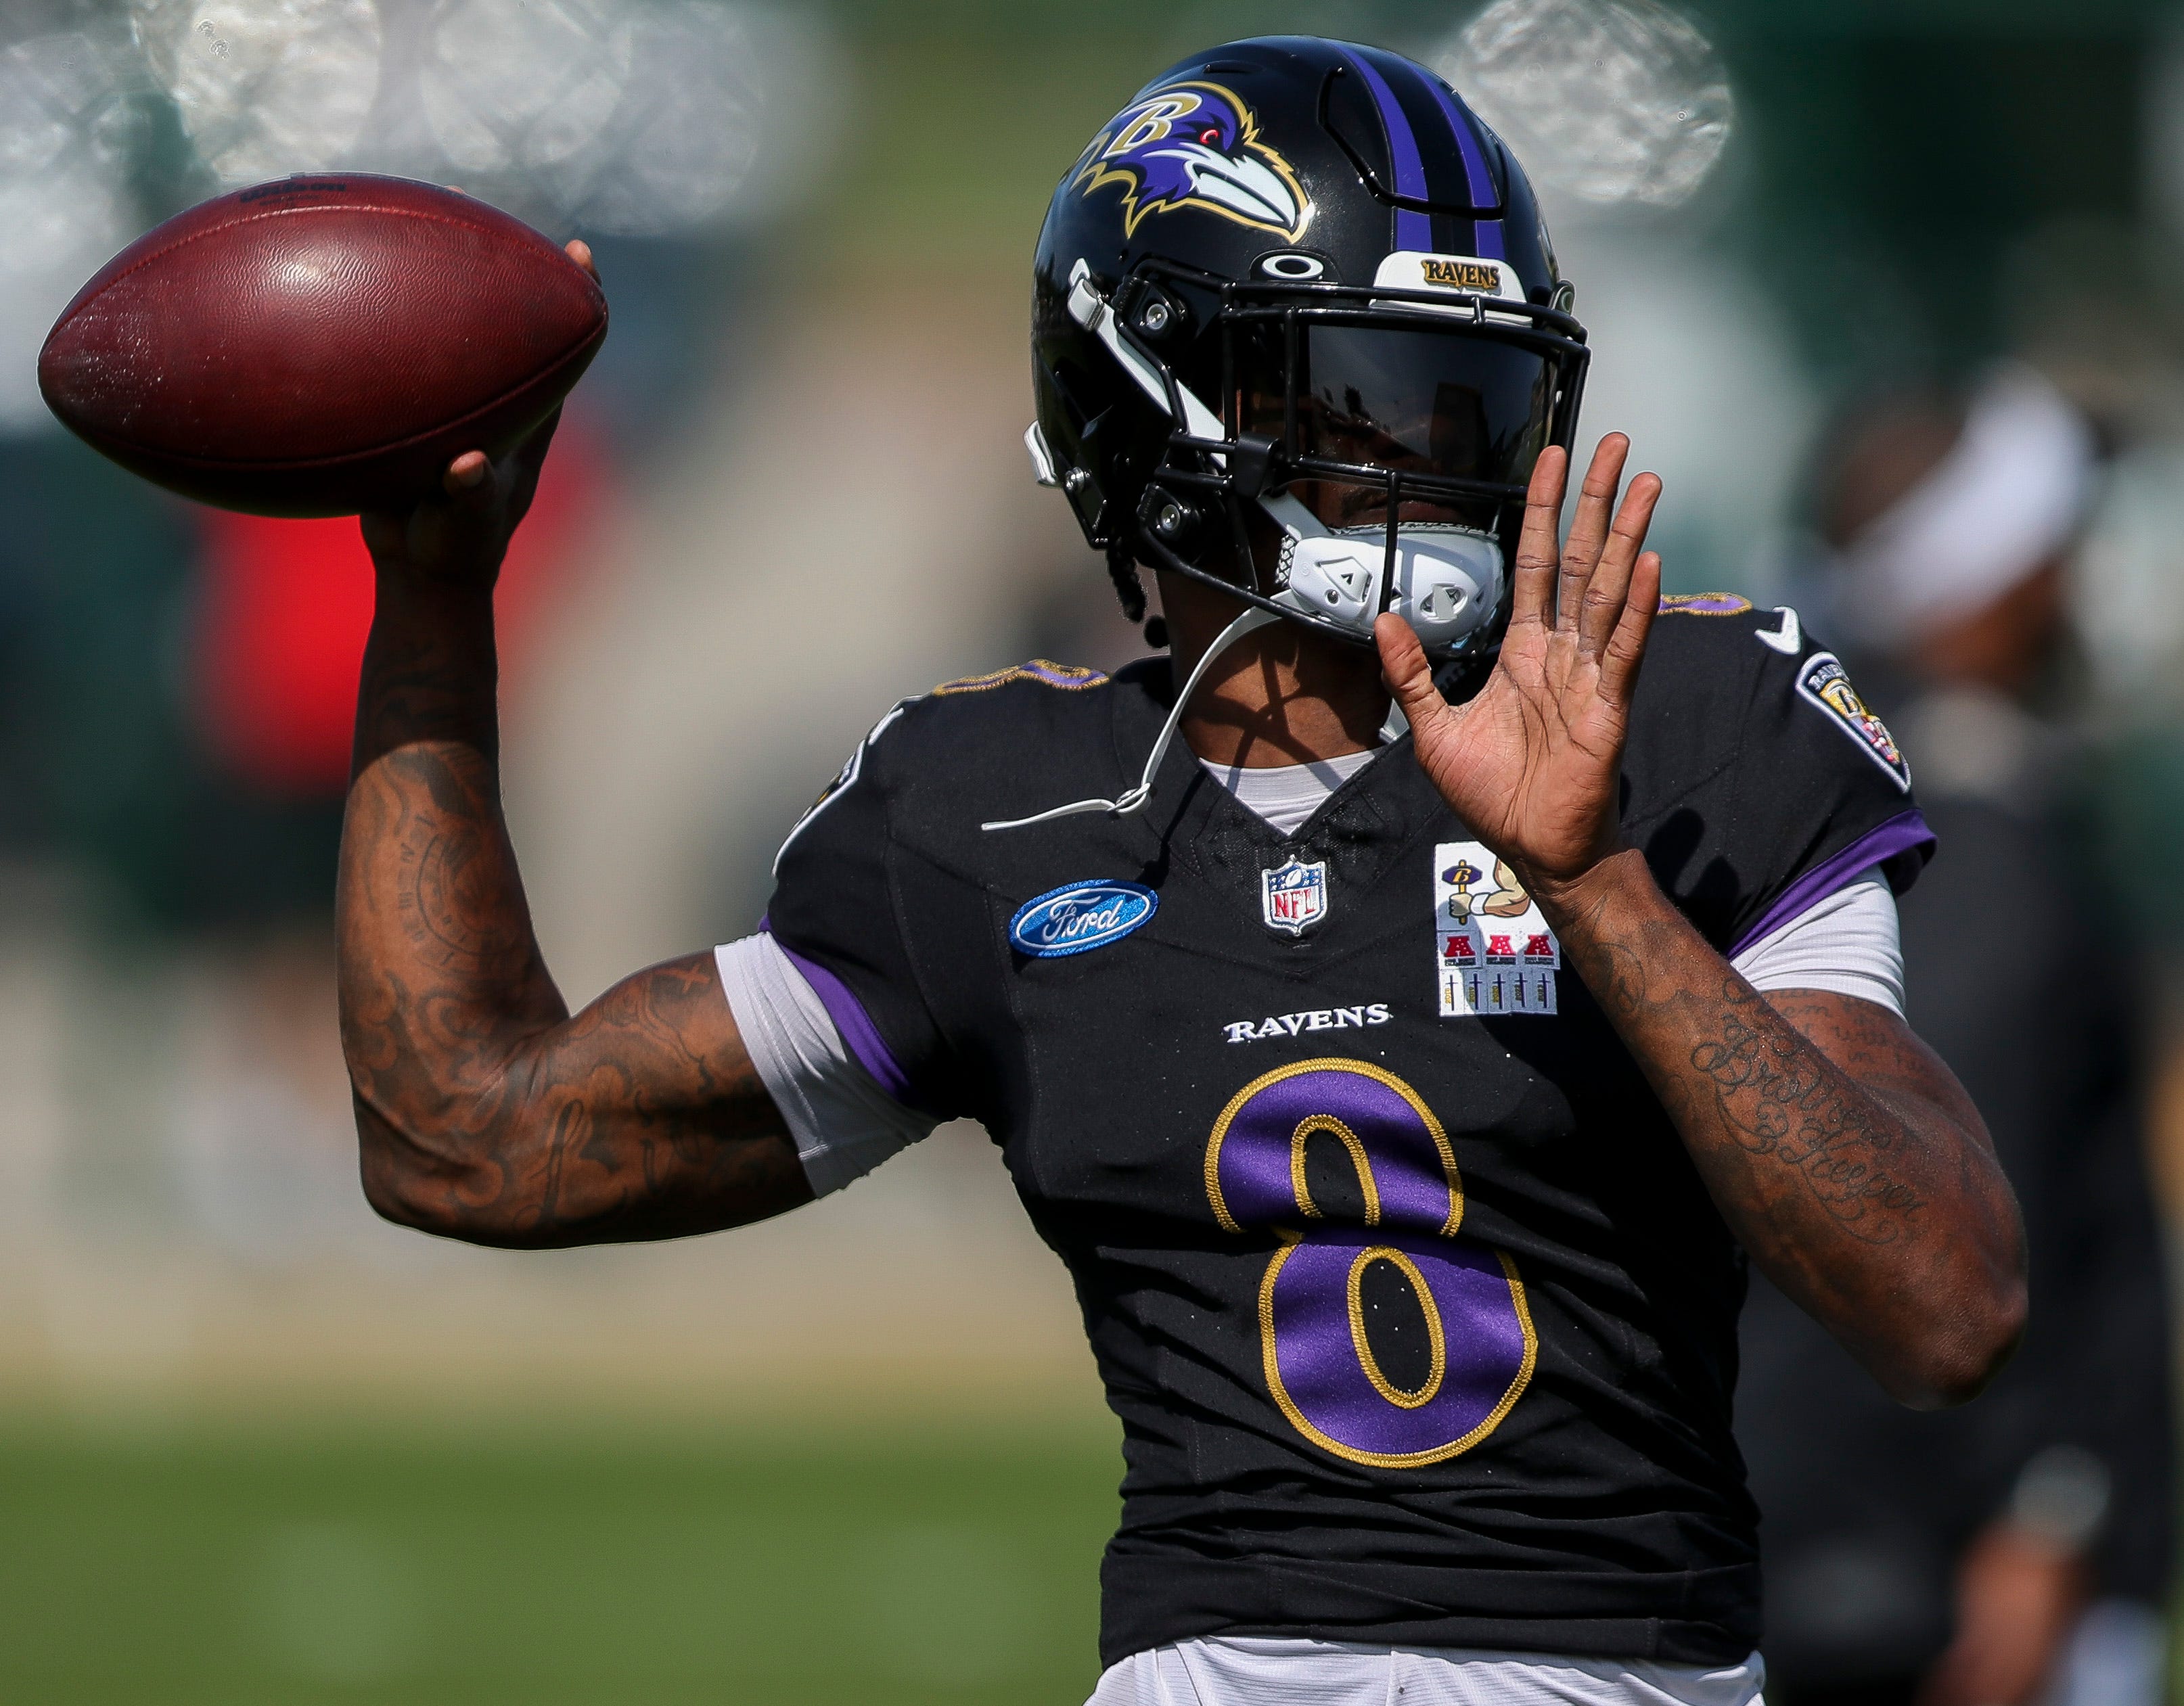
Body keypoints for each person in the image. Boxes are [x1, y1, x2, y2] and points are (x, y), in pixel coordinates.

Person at [336, 38, 2026, 1705]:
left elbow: (1944, 1305)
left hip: (1619, 1670)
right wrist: (427, 612)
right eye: (1361, 390)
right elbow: (473, 1136)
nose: (1434, 450)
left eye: (1475, 395)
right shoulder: (995, 810)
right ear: (1154, 402)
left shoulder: (1690, 729)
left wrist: (1597, 887)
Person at [1739, 369, 2174, 1706]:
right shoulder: (1964, 852)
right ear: (1973, 582)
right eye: (2043, 546)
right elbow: (1971, 1204)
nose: (2071, 581)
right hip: (1945, 1565)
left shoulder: (1822, 810)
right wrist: (2047, 1510)